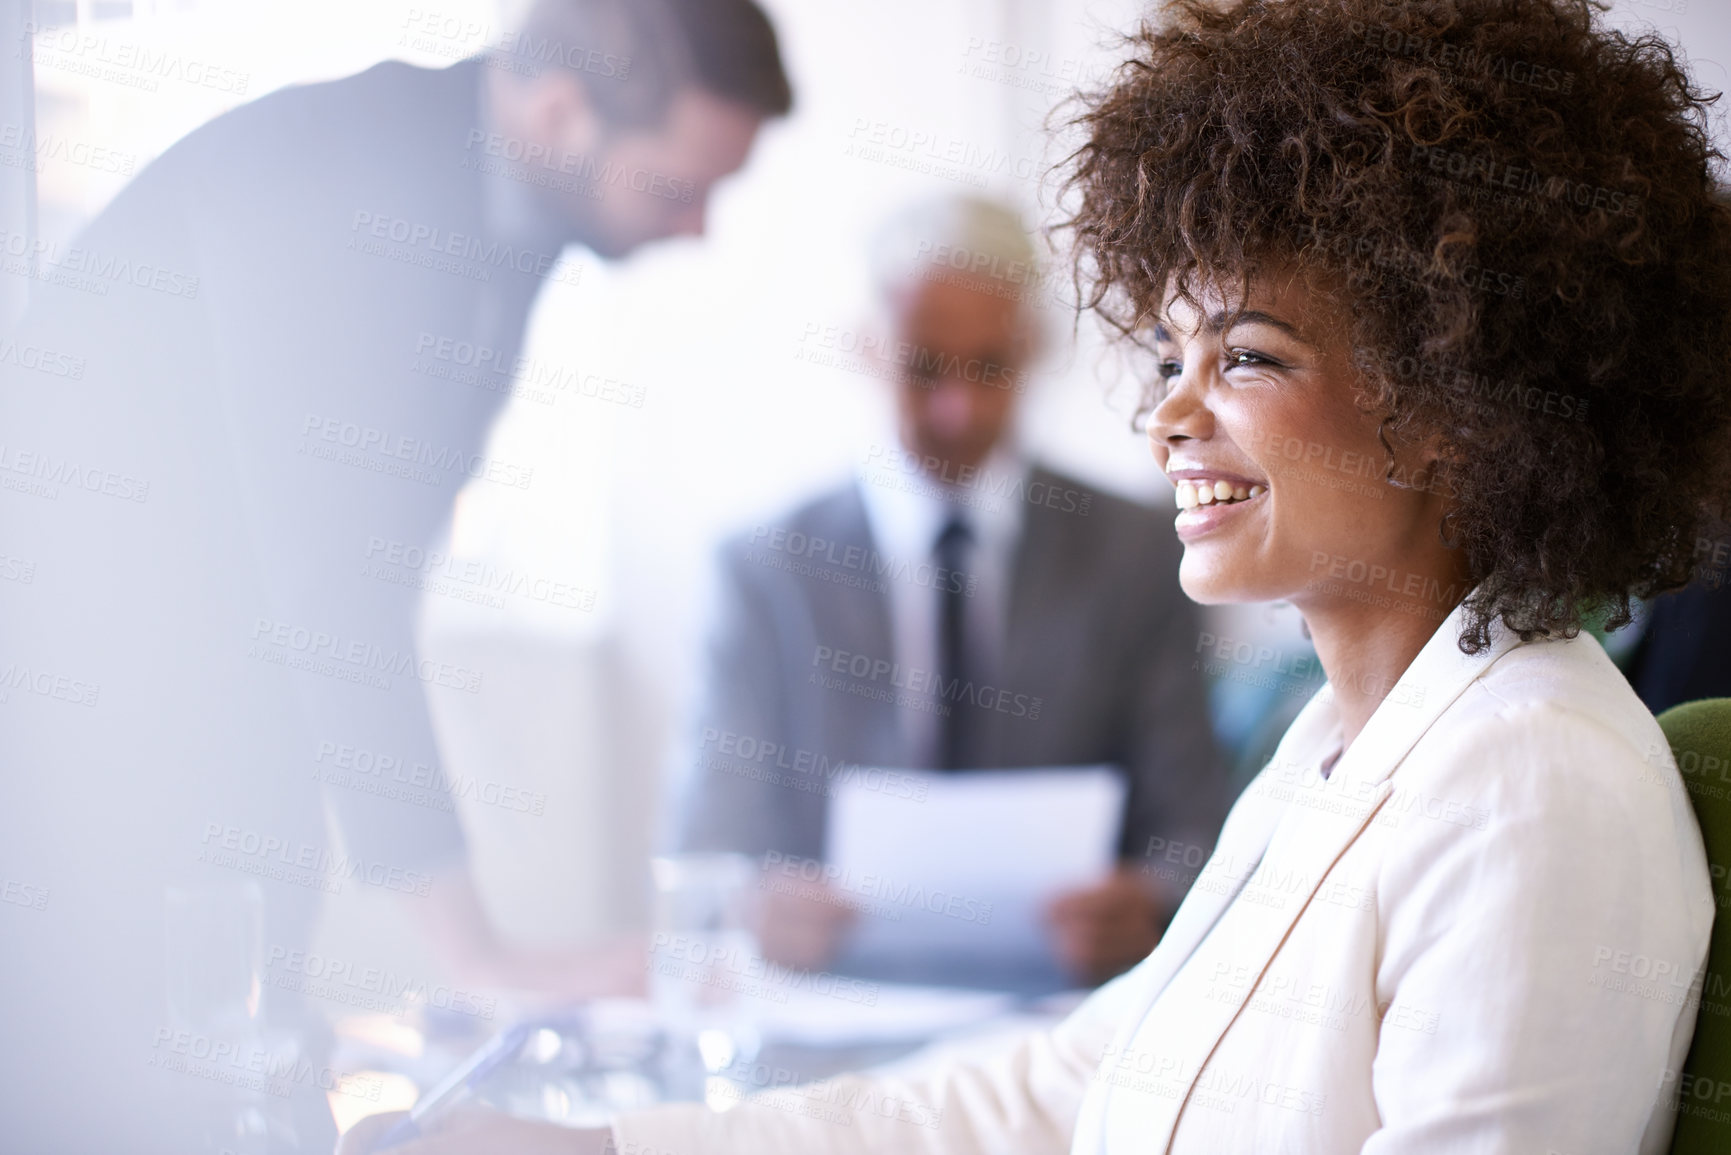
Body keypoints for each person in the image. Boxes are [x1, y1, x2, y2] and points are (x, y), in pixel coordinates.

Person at [341, 0, 1731, 1150]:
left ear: (1453, 401)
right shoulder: (1334, 745)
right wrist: (600, 1146)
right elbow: (1051, 1087)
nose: (1168, 416)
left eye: (1243, 355)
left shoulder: (1528, 778)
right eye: (1168, 358)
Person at [0, 1, 789, 1151]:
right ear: (563, 112)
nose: (699, 227)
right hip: (73, 759)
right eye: (677, 188)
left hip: (226, 768)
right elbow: (335, 593)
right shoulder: (343, 175)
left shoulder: (508, 224)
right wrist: (483, 957)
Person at [672, 194, 1230, 989]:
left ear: (1031, 350)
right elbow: (702, 853)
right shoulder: (765, 571)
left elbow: (1193, 825)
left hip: (1061, 1016)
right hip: (829, 1013)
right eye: (923, 367)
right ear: (868, 349)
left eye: (990, 368)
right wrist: (750, 904)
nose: (957, 409)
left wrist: (1152, 897)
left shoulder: (1135, 553)